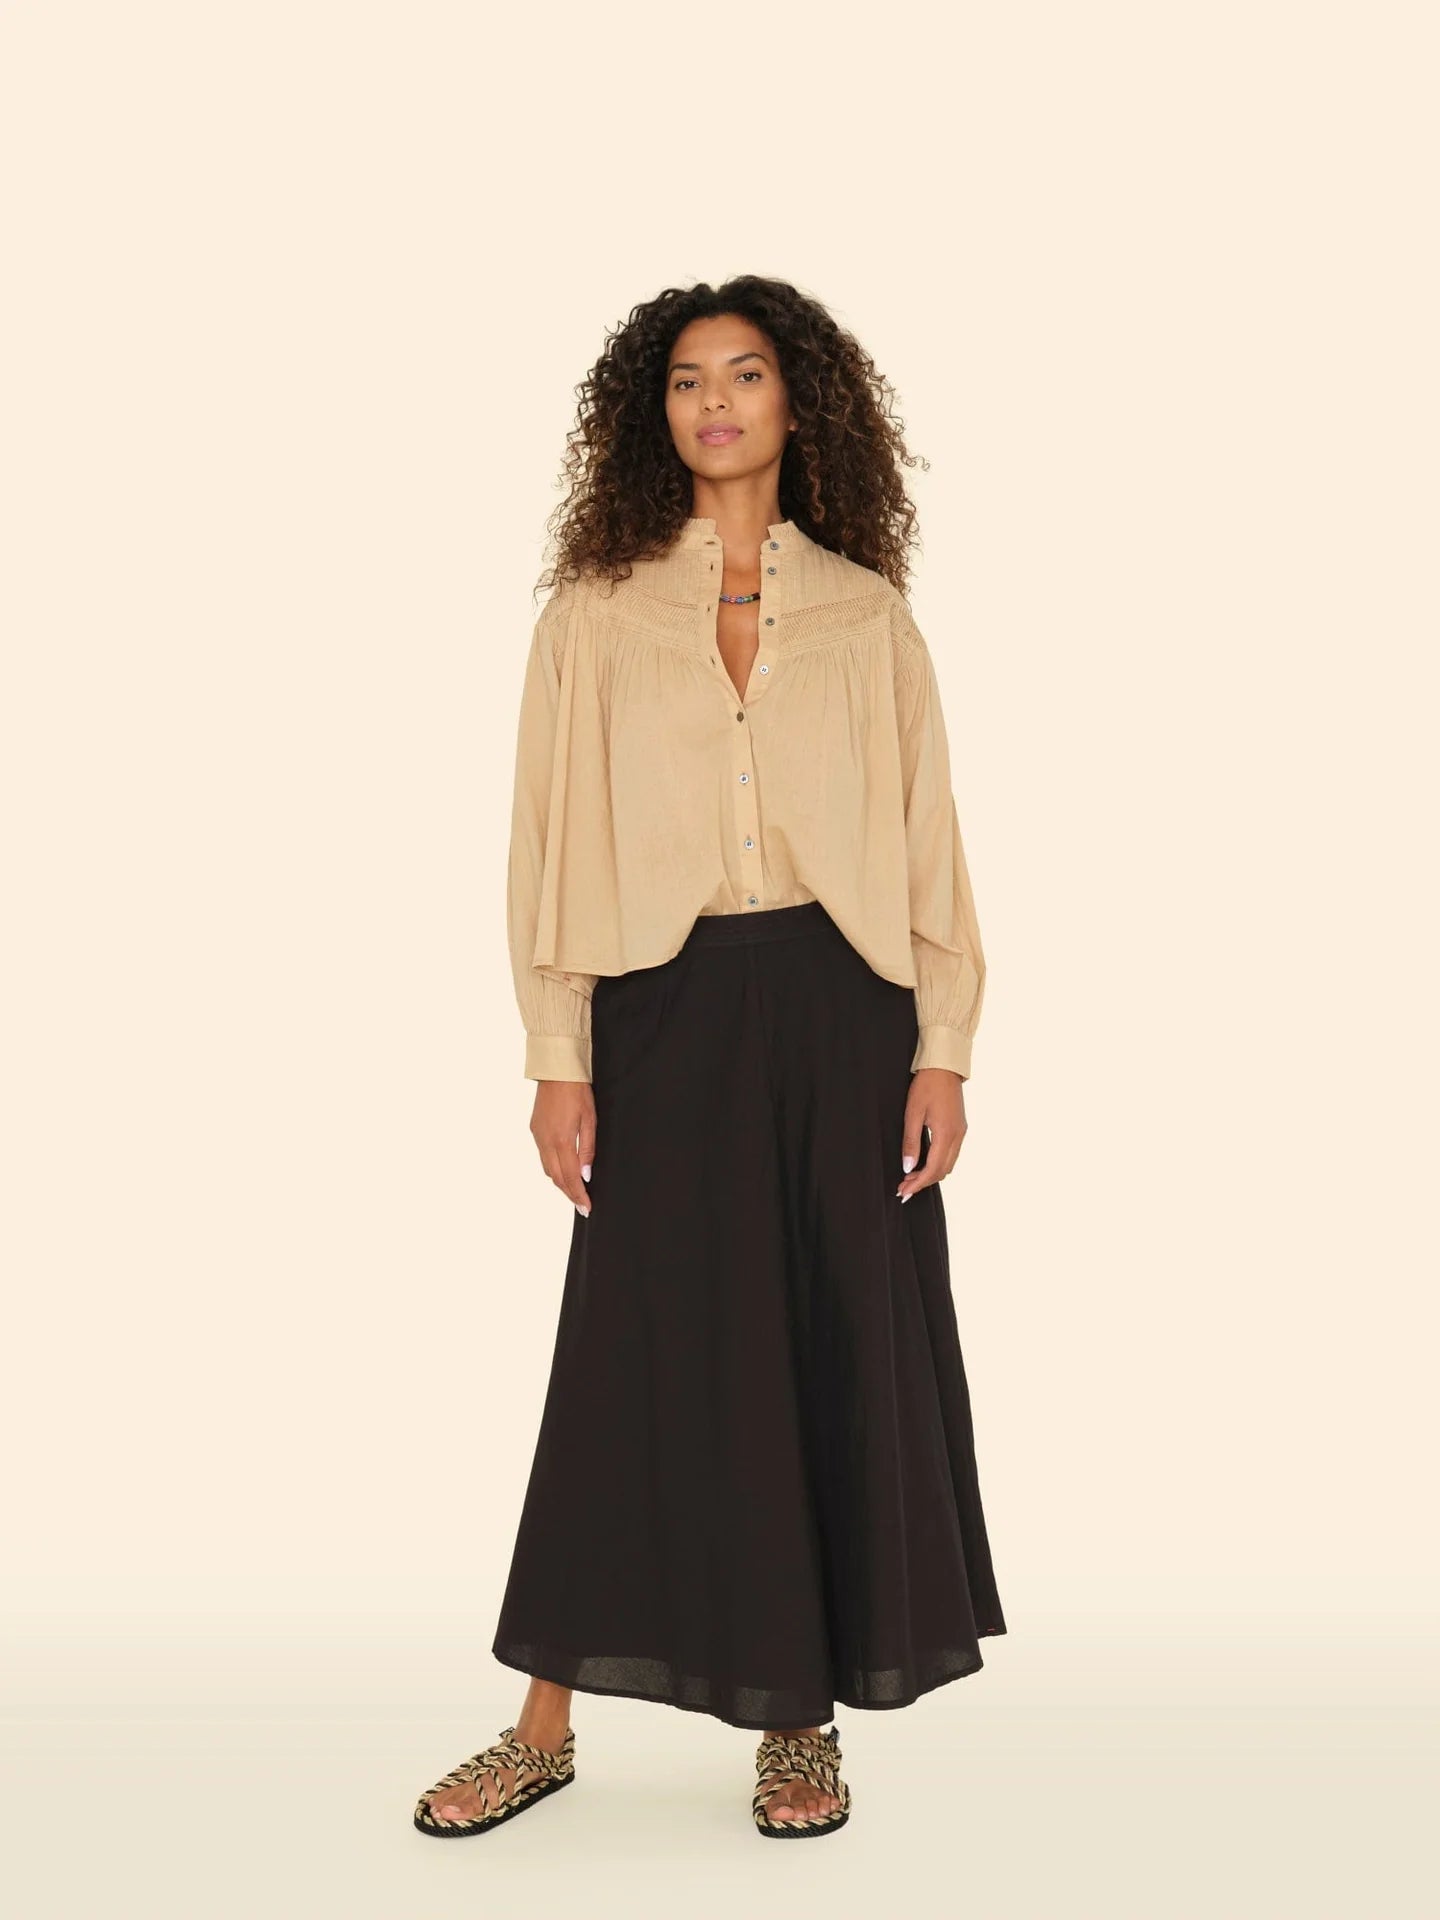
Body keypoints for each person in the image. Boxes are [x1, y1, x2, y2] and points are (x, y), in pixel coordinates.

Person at [414, 275, 1006, 1842]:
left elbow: (928, 843)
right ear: (653, 412)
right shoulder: (595, 614)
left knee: (824, 1341)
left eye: (745, 374)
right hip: (662, 1009)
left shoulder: (869, 617)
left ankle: (799, 1725)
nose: (716, 402)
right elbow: (547, 843)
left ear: (799, 402)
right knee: (628, 1355)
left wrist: (943, 1048)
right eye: (686, 380)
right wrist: (559, 1051)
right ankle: (542, 1724)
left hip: (842, 1007)